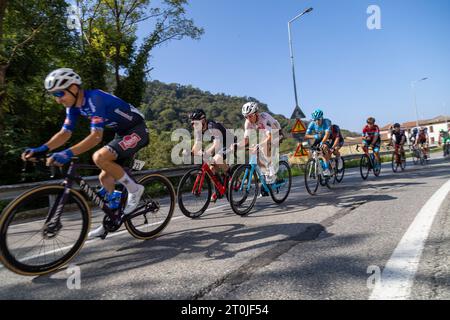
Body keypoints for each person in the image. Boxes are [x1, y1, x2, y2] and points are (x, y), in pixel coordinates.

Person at [22, 68, 150, 239]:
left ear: (74, 88)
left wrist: (67, 153)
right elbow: (65, 133)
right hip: (121, 133)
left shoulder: (94, 98)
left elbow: (96, 137)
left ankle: (135, 189)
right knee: (104, 178)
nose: (58, 99)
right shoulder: (73, 107)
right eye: (54, 95)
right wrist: (42, 149)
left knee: (99, 157)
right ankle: (111, 220)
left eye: (60, 93)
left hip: (137, 130)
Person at [189, 108, 231, 202]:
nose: (194, 125)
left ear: (203, 120)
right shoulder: (198, 130)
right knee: (211, 169)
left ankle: (230, 174)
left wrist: (206, 153)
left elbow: (217, 143)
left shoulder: (212, 125)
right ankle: (219, 190)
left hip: (228, 143)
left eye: (195, 122)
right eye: (192, 123)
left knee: (216, 159)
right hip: (219, 145)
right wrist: (190, 152)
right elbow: (196, 144)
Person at [236, 102, 283, 185]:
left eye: (250, 116)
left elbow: (270, 137)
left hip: (276, 133)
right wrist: (237, 145)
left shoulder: (264, 118)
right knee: (255, 154)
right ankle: (266, 177)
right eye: (246, 117)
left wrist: (260, 145)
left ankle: (272, 174)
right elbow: (246, 139)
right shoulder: (247, 122)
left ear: (256, 114)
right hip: (265, 134)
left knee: (264, 147)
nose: (248, 119)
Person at [304, 109, 333, 177]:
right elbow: (306, 135)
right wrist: (314, 136)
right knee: (312, 151)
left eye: (318, 119)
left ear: (322, 118)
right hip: (318, 138)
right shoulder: (312, 123)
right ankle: (317, 164)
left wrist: (322, 142)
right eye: (315, 120)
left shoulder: (327, 122)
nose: (317, 121)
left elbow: (327, 134)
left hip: (328, 138)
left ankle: (326, 169)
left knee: (324, 148)